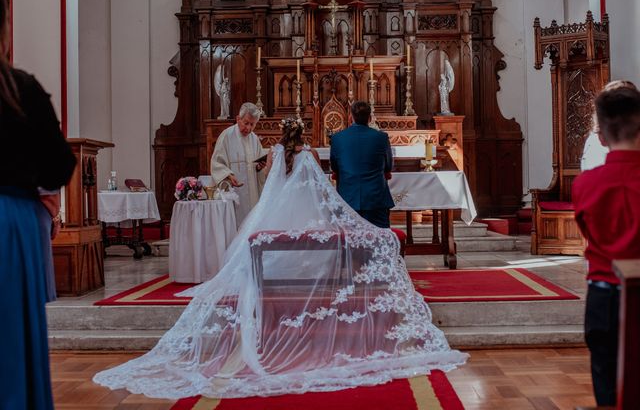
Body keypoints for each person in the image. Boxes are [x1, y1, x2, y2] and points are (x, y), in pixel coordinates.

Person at [94, 116, 467, 399]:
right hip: (305, 210)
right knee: (314, 240)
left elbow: (273, 187)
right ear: (302, 137)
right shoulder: (305, 155)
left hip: (275, 213)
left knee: (268, 241)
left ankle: (272, 279)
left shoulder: (276, 154)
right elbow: (318, 190)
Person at [0, 0, 76, 410]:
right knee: (9, 335)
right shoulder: (20, 87)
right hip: (9, 222)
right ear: (4, 31)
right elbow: (59, 165)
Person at [572, 80, 640, 406]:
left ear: (600, 135)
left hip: (601, 295)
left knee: (606, 381)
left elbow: (589, 230)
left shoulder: (585, 184)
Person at [330, 101, 395, 228]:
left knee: (350, 241)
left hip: (348, 197)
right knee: (380, 240)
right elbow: (388, 165)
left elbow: (334, 167)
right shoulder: (381, 137)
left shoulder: (337, 138)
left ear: (350, 117)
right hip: (376, 198)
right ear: (370, 118)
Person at [211, 102, 267, 224]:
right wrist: (228, 175)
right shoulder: (226, 136)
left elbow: (259, 164)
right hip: (234, 191)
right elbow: (217, 163)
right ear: (238, 119)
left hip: (252, 193)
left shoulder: (254, 139)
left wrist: (259, 167)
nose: (249, 128)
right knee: (235, 224)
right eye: (246, 123)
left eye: (252, 124)